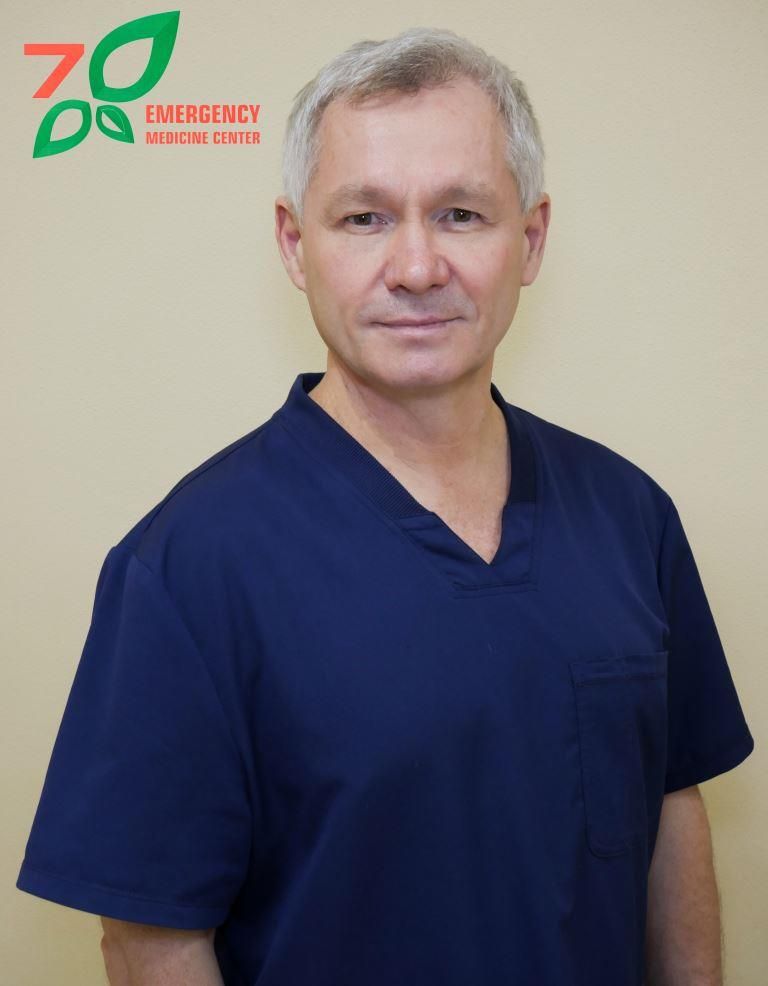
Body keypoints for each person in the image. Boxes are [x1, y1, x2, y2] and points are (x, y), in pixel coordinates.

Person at [17, 26, 754, 986]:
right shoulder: (188, 566)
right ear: (296, 244)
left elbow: (669, 808)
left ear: (530, 239)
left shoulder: (630, 518)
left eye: (461, 214)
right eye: (364, 218)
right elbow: (151, 938)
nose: (415, 267)